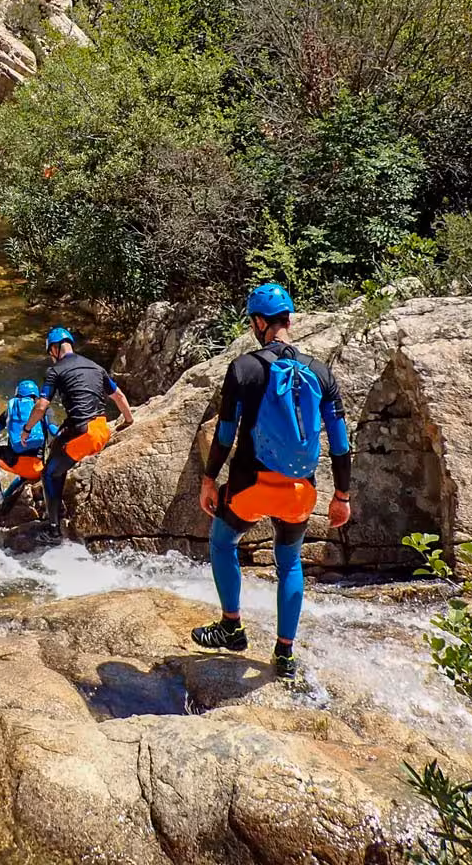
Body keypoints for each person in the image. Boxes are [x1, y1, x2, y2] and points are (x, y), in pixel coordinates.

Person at [192, 282, 352, 681]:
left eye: (252, 322)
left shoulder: (244, 368)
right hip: (300, 492)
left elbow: (226, 434)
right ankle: (284, 654)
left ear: (259, 323)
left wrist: (209, 479)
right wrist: (342, 496)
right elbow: (340, 442)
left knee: (222, 540)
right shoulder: (320, 370)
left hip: (250, 487)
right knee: (289, 562)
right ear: (289, 320)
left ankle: (231, 626)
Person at [17, 327, 134, 545]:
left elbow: (42, 406)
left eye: (49, 352)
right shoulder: (96, 366)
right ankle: (58, 507)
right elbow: (118, 396)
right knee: (58, 446)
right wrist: (128, 421)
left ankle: (53, 531)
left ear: (54, 348)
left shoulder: (56, 371)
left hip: (84, 434)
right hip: (101, 429)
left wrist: (26, 429)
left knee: (49, 473)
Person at [0, 379, 59, 507]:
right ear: (36, 395)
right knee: (24, 476)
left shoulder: (11, 410)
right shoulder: (44, 409)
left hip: (15, 464)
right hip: (38, 469)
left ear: (17, 394)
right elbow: (54, 431)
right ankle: (6, 497)